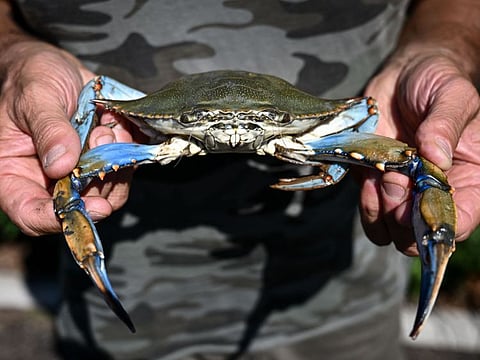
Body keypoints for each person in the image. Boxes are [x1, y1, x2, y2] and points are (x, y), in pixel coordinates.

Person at [0, 0, 479, 359]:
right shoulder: (130, 117)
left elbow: (370, 111)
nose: (232, 132)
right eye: (205, 121)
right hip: (120, 313)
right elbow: (94, 99)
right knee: (71, 185)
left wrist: (443, 45)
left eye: (256, 122)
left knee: (420, 166)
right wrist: (14, 56)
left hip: (337, 299)